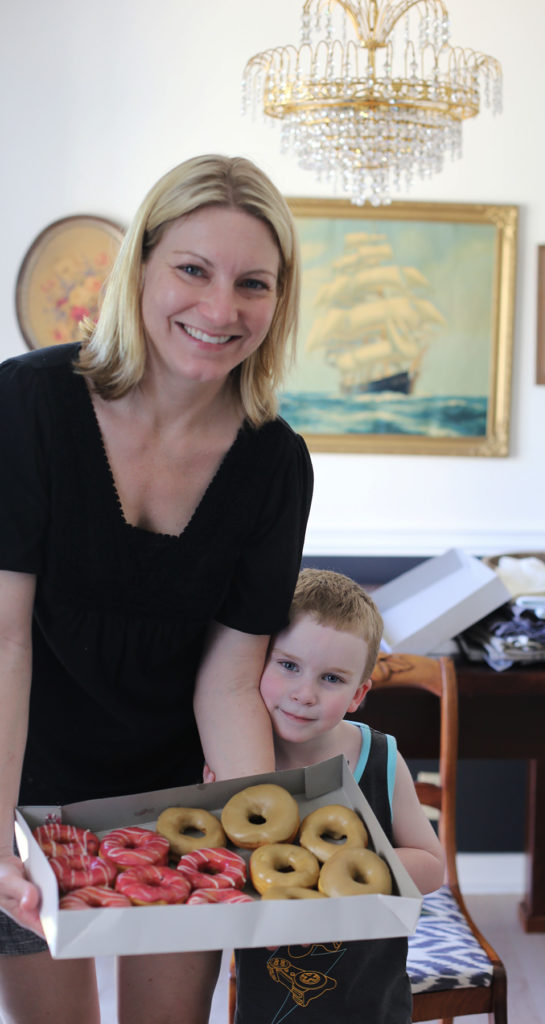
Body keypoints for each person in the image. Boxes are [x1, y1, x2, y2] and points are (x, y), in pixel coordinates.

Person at [0, 154, 313, 1024]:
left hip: (178, 805)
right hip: (21, 785)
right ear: (138, 264)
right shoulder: (24, 406)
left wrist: (260, 838)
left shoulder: (275, 462)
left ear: (279, 301)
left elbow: (228, 676)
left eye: (253, 284)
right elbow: (4, 641)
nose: (220, 310)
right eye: (192, 270)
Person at [232, 568, 446, 1023]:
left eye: (331, 679)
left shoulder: (382, 758)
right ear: (258, 661)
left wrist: (344, 868)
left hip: (371, 999)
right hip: (270, 1004)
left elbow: (431, 867)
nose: (304, 694)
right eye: (288, 666)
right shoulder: (237, 762)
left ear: (358, 693)